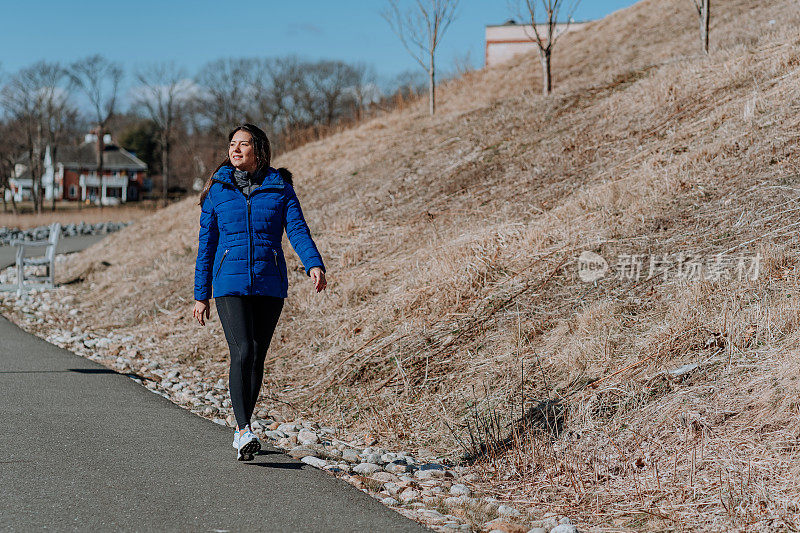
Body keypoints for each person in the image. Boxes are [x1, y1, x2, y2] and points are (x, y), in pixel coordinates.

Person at [192, 123, 327, 461]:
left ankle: (245, 426)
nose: (235, 150)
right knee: (244, 349)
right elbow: (206, 246)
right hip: (229, 282)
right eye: (232, 144)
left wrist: (313, 263)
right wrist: (200, 294)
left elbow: (296, 228)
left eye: (244, 144)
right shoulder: (218, 190)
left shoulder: (279, 187)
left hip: (269, 281)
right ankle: (242, 430)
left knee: (257, 357)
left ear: (260, 150)